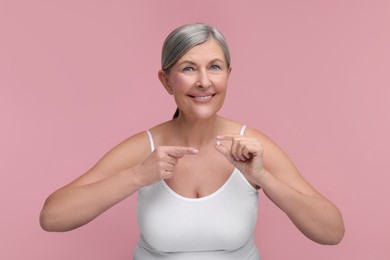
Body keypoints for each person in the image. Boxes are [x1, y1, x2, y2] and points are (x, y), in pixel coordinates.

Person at [40, 23, 345, 259]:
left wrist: (262, 177)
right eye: (188, 68)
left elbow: (332, 232)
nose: (204, 81)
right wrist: (136, 176)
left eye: (214, 67)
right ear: (166, 81)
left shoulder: (251, 146)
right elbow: (52, 217)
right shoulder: (144, 148)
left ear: (228, 74)